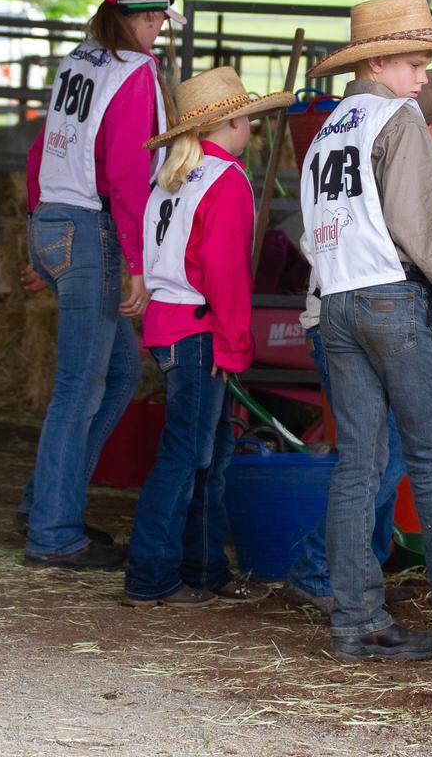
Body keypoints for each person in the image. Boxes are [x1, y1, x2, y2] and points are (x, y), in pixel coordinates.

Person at [300, 0, 432, 662]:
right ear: (383, 60)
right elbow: (419, 238)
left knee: (357, 466)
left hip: (337, 303)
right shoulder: (402, 122)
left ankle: (356, 620)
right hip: (393, 301)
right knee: (429, 461)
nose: (425, 77)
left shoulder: (330, 131)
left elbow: (326, 234)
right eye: (418, 62)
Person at [19, 0, 183, 571]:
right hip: (91, 228)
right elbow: (124, 174)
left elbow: (43, 148)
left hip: (54, 218)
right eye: (150, 17)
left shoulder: (78, 62)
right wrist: (139, 264)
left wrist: (38, 239)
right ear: (130, 17)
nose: (156, 28)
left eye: (159, 17)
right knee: (80, 388)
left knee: (114, 372)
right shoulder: (133, 72)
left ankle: (46, 501)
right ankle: (54, 533)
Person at [123, 67, 293, 607]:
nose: (255, 131)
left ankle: (202, 564)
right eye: (251, 121)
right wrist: (235, 343)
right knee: (187, 455)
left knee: (209, 451)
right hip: (201, 330)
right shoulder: (226, 179)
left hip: (171, 325)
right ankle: (151, 574)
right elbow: (226, 273)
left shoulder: (173, 177)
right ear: (235, 123)